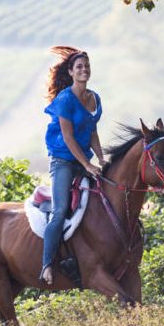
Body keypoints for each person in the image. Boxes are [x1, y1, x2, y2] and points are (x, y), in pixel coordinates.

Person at [40, 46, 106, 285]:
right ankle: (46, 265)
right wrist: (88, 165)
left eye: (87, 66)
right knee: (59, 211)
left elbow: (92, 131)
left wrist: (101, 158)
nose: (84, 70)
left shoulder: (94, 98)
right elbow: (68, 138)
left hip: (85, 159)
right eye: (79, 67)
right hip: (63, 161)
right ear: (70, 72)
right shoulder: (65, 99)